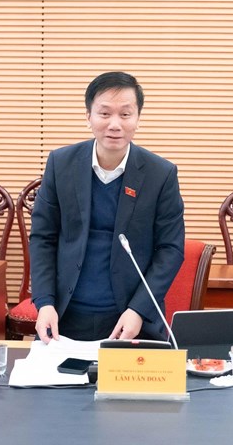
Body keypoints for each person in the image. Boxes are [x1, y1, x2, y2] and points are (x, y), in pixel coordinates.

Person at [30, 71, 185, 343]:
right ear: (88, 116)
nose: (115, 124)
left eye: (125, 114)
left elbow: (170, 249)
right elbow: (43, 237)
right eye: (104, 113)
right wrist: (45, 302)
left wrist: (139, 310)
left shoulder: (160, 174)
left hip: (130, 318)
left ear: (137, 118)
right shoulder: (60, 164)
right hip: (65, 316)